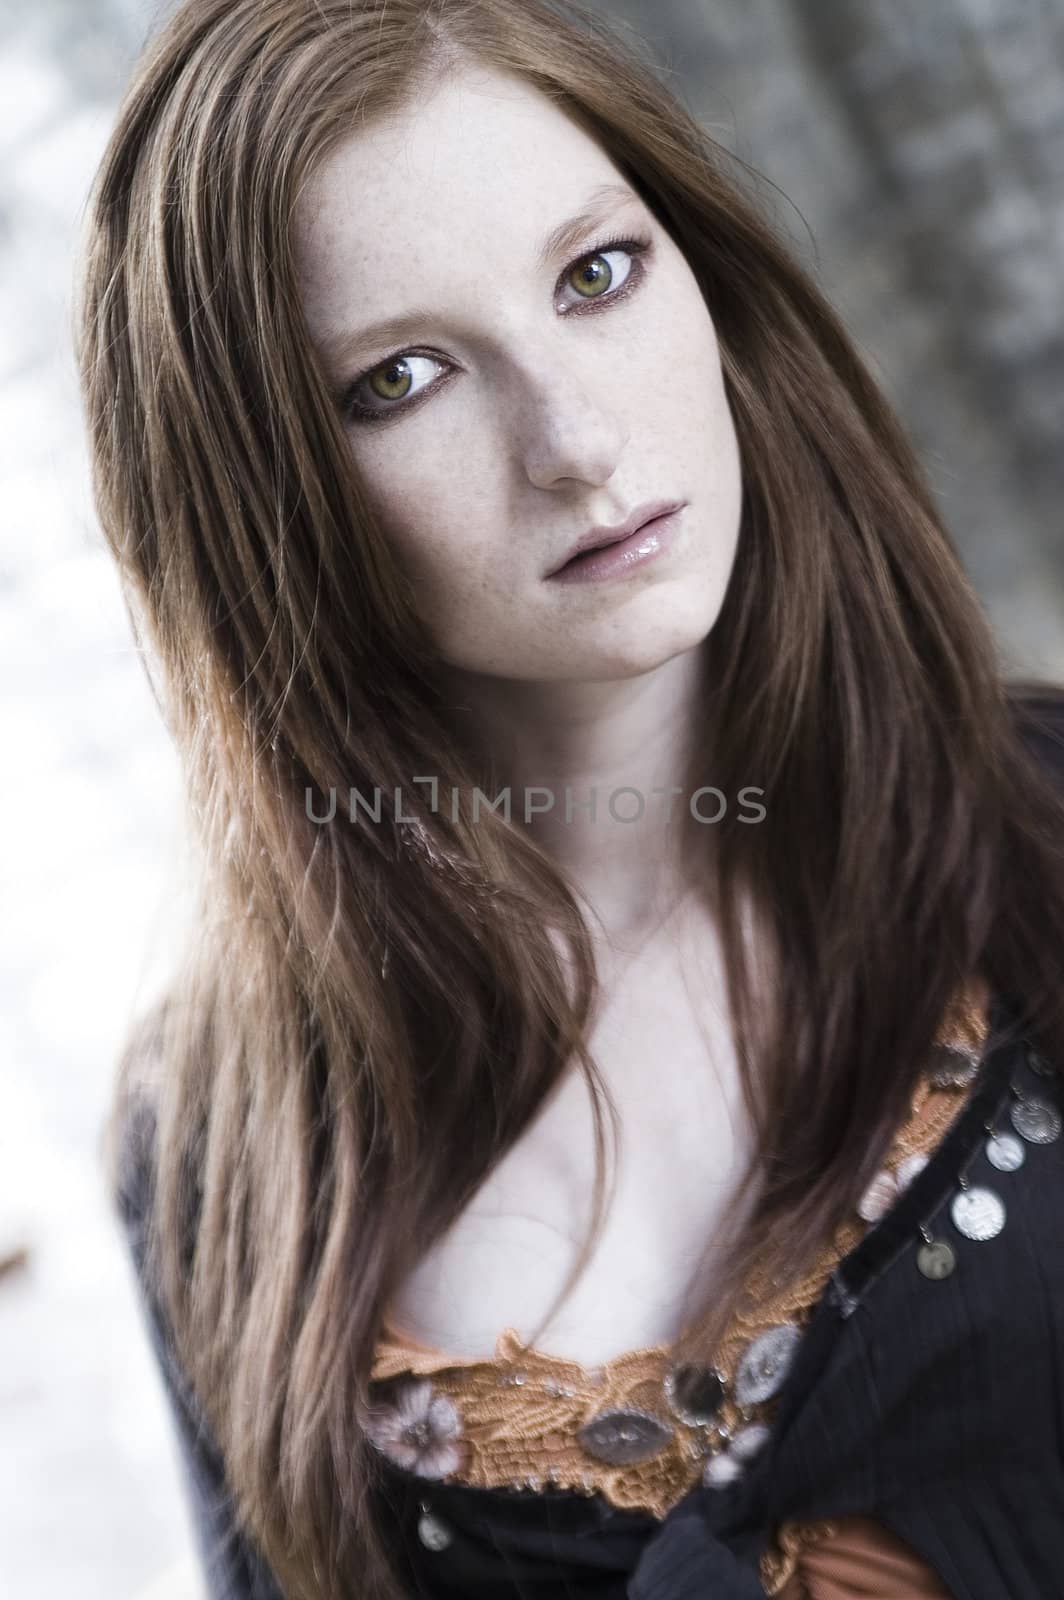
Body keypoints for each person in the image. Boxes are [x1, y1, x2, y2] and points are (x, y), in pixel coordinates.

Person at [76, 1, 1064, 1596]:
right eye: (402, 378)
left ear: (705, 274)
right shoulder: (211, 1150)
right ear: (256, 502)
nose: (579, 442)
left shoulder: (1043, 816)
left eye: (596, 275)